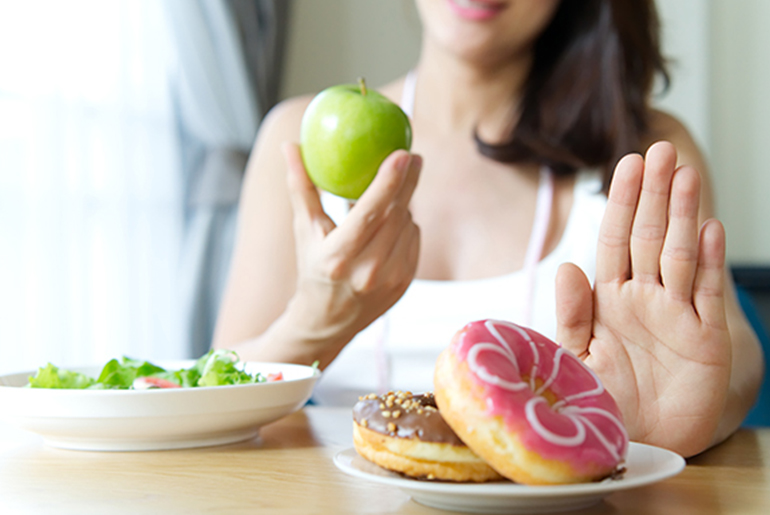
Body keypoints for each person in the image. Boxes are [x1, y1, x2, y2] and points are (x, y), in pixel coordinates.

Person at [212, 0, 764, 458]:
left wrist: (681, 417)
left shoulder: (639, 149)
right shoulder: (298, 136)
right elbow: (215, 394)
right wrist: (313, 325)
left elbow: (727, 348)